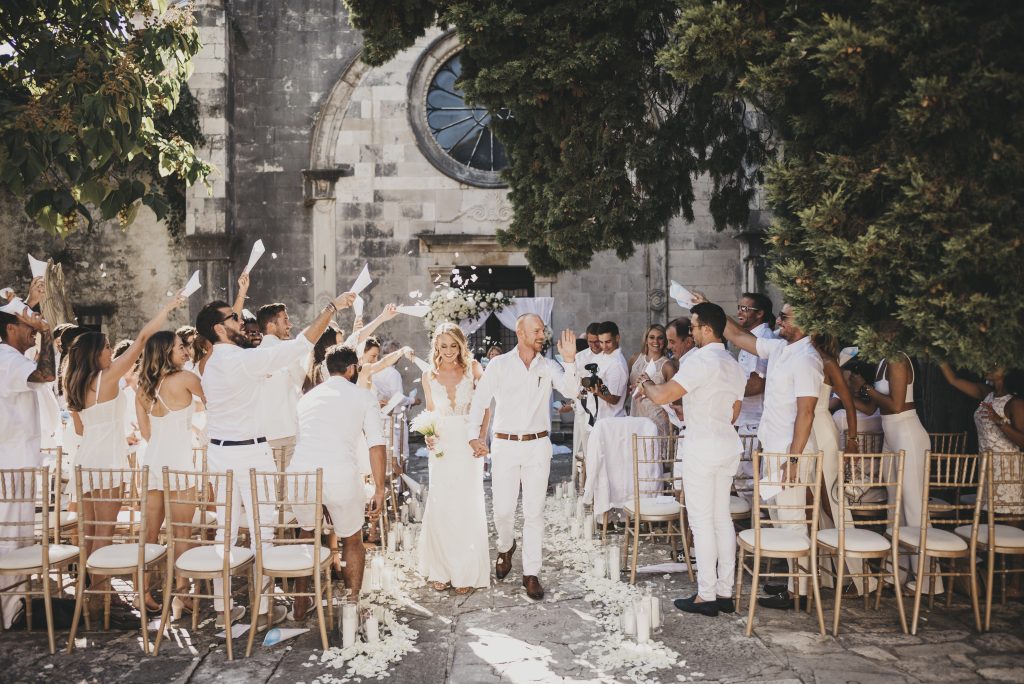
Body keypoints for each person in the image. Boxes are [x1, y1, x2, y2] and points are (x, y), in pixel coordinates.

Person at [196, 286, 355, 628]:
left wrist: (237, 298)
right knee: (263, 533)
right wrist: (331, 307)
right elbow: (301, 344)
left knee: (224, 533)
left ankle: (225, 612)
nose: (241, 320)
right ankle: (264, 610)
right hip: (250, 454)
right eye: (234, 317)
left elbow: (227, 329)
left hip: (218, 454)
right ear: (220, 329)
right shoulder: (242, 360)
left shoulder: (209, 363)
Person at [694, 293, 823, 610]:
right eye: (780, 315)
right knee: (781, 519)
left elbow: (806, 413)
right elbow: (737, 335)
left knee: (793, 521)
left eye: (786, 317)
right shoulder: (781, 348)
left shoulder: (808, 358)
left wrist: (793, 460)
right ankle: (792, 584)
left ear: (806, 323)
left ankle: (799, 592)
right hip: (774, 450)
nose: (779, 321)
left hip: (791, 454)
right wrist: (712, 307)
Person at [63, 294, 184, 611]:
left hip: (85, 459)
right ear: (95, 353)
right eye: (106, 347)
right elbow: (143, 339)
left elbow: (79, 430)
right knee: (105, 530)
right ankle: (101, 596)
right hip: (108, 460)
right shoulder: (106, 378)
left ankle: (91, 591)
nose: (109, 352)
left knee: (88, 531)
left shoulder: (74, 382)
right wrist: (165, 309)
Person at [638, 303, 745, 616]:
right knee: (721, 518)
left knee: (701, 521)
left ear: (707, 329)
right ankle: (724, 592)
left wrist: (645, 381)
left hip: (702, 446)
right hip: (727, 444)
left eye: (695, 326)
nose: (692, 332)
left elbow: (661, 396)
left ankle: (706, 595)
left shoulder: (700, 361)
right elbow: (735, 411)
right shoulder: (733, 364)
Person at [467, 315, 577, 600]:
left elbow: (572, 391)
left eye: (543, 330)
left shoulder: (549, 365)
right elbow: (480, 401)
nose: (542, 334)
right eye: (536, 330)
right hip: (504, 445)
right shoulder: (500, 365)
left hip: (538, 445)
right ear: (520, 332)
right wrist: (473, 436)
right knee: (502, 511)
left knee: (534, 512)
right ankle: (506, 546)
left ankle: (531, 573)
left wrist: (570, 361)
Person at [288, 345, 386, 618]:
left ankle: (299, 604)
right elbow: (376, 444)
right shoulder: (363, 396)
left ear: (327, 369)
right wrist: (380, 487)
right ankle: (352, 603)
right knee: (352, 538)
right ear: (353, 368)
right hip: (339, 473)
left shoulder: (307, 398)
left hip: (300, 474)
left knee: (308, 533)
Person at [847, 350, 937, 593]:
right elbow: (870, 406)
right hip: (891, 434)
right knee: (894, 507)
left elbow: (896, 405)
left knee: (913, 506)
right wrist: (843, 391)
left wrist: (865, 386)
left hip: (907, 432)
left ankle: (927, 580)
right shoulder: (882, 361)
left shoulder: (898, 359)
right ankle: (896, 571)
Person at [135, 330, 206, 618]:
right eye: (181, 348)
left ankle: (144, 591)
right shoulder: (186, 379)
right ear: (166, 351)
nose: (186, 352)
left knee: (149, 533)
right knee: (182, 532)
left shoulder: (142, 388)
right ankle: (182, 593)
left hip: (153, 462)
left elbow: (146, 433)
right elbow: (218, 403)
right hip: (178, 463)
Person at [0, 277, 56, 627]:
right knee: (11, 537)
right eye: (27, 326)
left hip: (15, 462)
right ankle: (10, 612)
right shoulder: (7, 358)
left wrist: (32, 311)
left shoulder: (9, 356)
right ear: (10, 329)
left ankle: (14, 605)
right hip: (11, 466)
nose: (33, 331)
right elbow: (46, 373)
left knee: (17, 536)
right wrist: (47, 331)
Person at [418, 324, 490, 593]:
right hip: (442, 444)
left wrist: (481, 439)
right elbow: (430, 410)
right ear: (436, 347)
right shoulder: (429, 375)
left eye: (453, 345)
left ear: (461, 345)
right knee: (441, 503)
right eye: (443, 345)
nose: (448, 351)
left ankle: (466, 571)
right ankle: (441, 569)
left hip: (467, 440)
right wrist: (429, 433)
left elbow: (485, 408)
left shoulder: (473, 369)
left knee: (466, 503)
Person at [939, 363, 1024, 508]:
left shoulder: (1015, 403)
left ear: (1008, 370)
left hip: (1007, 470)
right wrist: (938, 357)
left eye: (996, 364)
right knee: (990, 523)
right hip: (986, 466)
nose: (988, 366)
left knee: (1009, 520)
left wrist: (999, 421)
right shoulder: (987, 394)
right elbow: (953, 380)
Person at [255, 303, 305, 470]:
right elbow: (302, 382)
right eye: (285, 320)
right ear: (271, 325)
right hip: (286, 430)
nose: (289, 325)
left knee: (264, 487)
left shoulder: (253, 355)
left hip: (259, 433)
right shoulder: (286, 350)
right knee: (285, 488)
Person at [735, 293, 775, 436]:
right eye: (739, 307)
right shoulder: (753, 336)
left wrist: (725, 391)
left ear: (759, 314)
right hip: (748, 421)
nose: (739, 311)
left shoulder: (762, 337)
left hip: (754, 423)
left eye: (745, 308)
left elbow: (757, 384)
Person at [627, 324, 673, 435]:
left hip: (657, 418)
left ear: (665, 341)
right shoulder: (635, 358)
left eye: (660, 338)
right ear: (646, 339)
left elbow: (674, 398)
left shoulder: (668, 366)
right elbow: (627, 386)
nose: (655, 341)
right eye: (652, 337)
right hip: (636, 415)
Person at [590, 321, 627, 422]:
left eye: (608, 342)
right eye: (601, 342)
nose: (604, 346)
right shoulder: (603, 356)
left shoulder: (617, 364)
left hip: (612, 420)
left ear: (617, 338)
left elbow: (614, 399)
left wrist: (598, 390)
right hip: (599, 418)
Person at [303, 324, 343, 393]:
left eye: (343, 343)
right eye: (340, 344)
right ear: (328, 345)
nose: (343, 347)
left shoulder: (316, 369)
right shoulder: (325, 369)